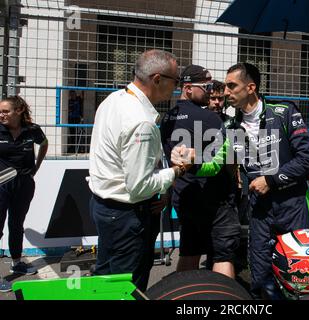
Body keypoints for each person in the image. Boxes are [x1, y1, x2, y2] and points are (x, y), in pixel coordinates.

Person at [88, 49, 193, 292]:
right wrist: (177, 171)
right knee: (127, 288)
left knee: (106, 282)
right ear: (157, 79)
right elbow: (139, 186)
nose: (177, 89)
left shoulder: (114, 99)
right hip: (127, 214)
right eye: (175, 81)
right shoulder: (141, 121)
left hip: (105, 206)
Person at [224, 63, 309, 299]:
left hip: (291, 204)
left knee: (300, 273)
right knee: (260, 274)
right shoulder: (232, 125)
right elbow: (222, 158)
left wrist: (272, 180)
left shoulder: (284, 112)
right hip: (259, 208)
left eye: (231, 86)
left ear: (251, 87)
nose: (226, 92)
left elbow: (307, 158)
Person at [160, 65, 241, 279]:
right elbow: (224, 162)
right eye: (205, 86)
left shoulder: (167, 117)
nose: (211, 92)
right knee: (223, 256)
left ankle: (185, 297)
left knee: (189, 251)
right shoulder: (211, 120)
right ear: (187, 88)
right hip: (215, 198)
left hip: (184, 194)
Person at [0, 96, 48, 291]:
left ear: (18, 111)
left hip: (24, 184)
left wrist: (36, 166)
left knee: (16, 224)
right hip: (2, 185)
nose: (1, 114)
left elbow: (44, 144)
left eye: (5, 111)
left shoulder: (32, 129)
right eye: (0, 111)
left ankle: (17, 262)